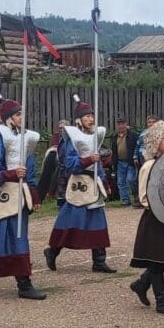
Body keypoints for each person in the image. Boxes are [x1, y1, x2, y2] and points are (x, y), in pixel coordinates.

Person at [0, 99, 47, 299]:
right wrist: (12, 174)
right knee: (15, 238)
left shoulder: (26, 140)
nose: (21, 118)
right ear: (8, 118)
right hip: (5, 197)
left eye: (22, 114)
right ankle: (24, 284)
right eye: (17, 114)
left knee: (3, 238)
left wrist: (33, 191)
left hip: (20, 197)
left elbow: (29, 170)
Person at [43, 101, 117, 273]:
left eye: (92, 116)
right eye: (87, 116)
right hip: (79, 184)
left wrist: (104, 182)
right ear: (79, 119)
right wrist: (88, 160)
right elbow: (69, 164)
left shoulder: (94, 136)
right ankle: (52, 251)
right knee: (70, 221)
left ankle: (99, 261)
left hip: (93, 184)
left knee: (98, 221)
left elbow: (97, 165)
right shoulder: (71, 138)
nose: (91, 119)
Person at [128, 120, 164, 315]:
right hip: (154, 219)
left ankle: (141, 285)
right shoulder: (149, 166)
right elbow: (144, 197)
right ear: (156, 142)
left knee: (162, 257)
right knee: (157, 260)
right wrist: (161, 211)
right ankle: (161, 301)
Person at [108, 117, 139, 207]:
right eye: (119, 124)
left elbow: (137, 147)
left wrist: (136, 158)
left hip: (130, 162)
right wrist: (113, 163)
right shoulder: (114, 137)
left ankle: (136, 197)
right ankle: (125, 200)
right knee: (120, 182)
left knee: (130, 180)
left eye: (122, 124)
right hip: (119, 162)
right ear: (117, 126)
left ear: (126, 124)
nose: (121, 126)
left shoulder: (133, 135)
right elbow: (113, 151)